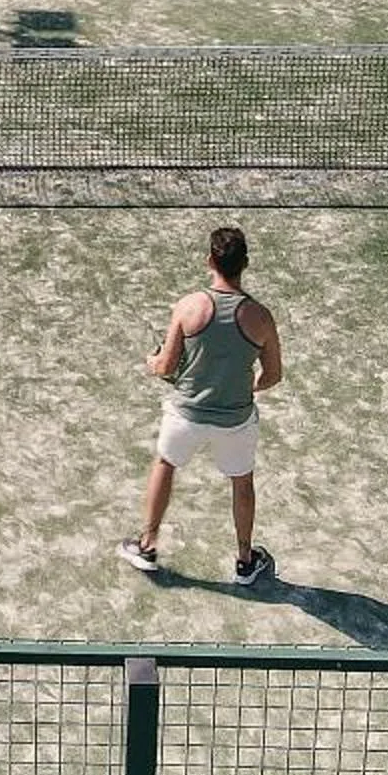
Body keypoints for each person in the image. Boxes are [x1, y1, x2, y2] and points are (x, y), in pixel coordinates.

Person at [121, 225, 282, 584]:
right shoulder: (261, 317)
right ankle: (245, 560)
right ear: (246, 264)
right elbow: (272, 375)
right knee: (242, 481)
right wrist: (241, 387)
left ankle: (147, 545)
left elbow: (165, 367)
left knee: (165, 464)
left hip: (185, 417)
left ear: (210, 260)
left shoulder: (189, 306)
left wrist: (153, 362)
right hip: (236, 421)